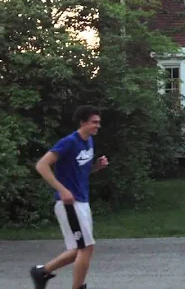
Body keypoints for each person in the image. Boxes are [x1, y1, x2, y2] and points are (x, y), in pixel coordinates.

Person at [30, 105, 109, 289]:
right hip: (69, 204)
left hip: (82, 201)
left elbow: (80, 171)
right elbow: (41, 165)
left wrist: (96, 166)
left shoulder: (88, 141)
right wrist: (62, 189)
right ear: (83, 122)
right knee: (86, 248)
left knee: (77, 250)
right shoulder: (69, 142)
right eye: (94, 122)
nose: (98, 126)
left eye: (99, 122)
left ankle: (41, 272)